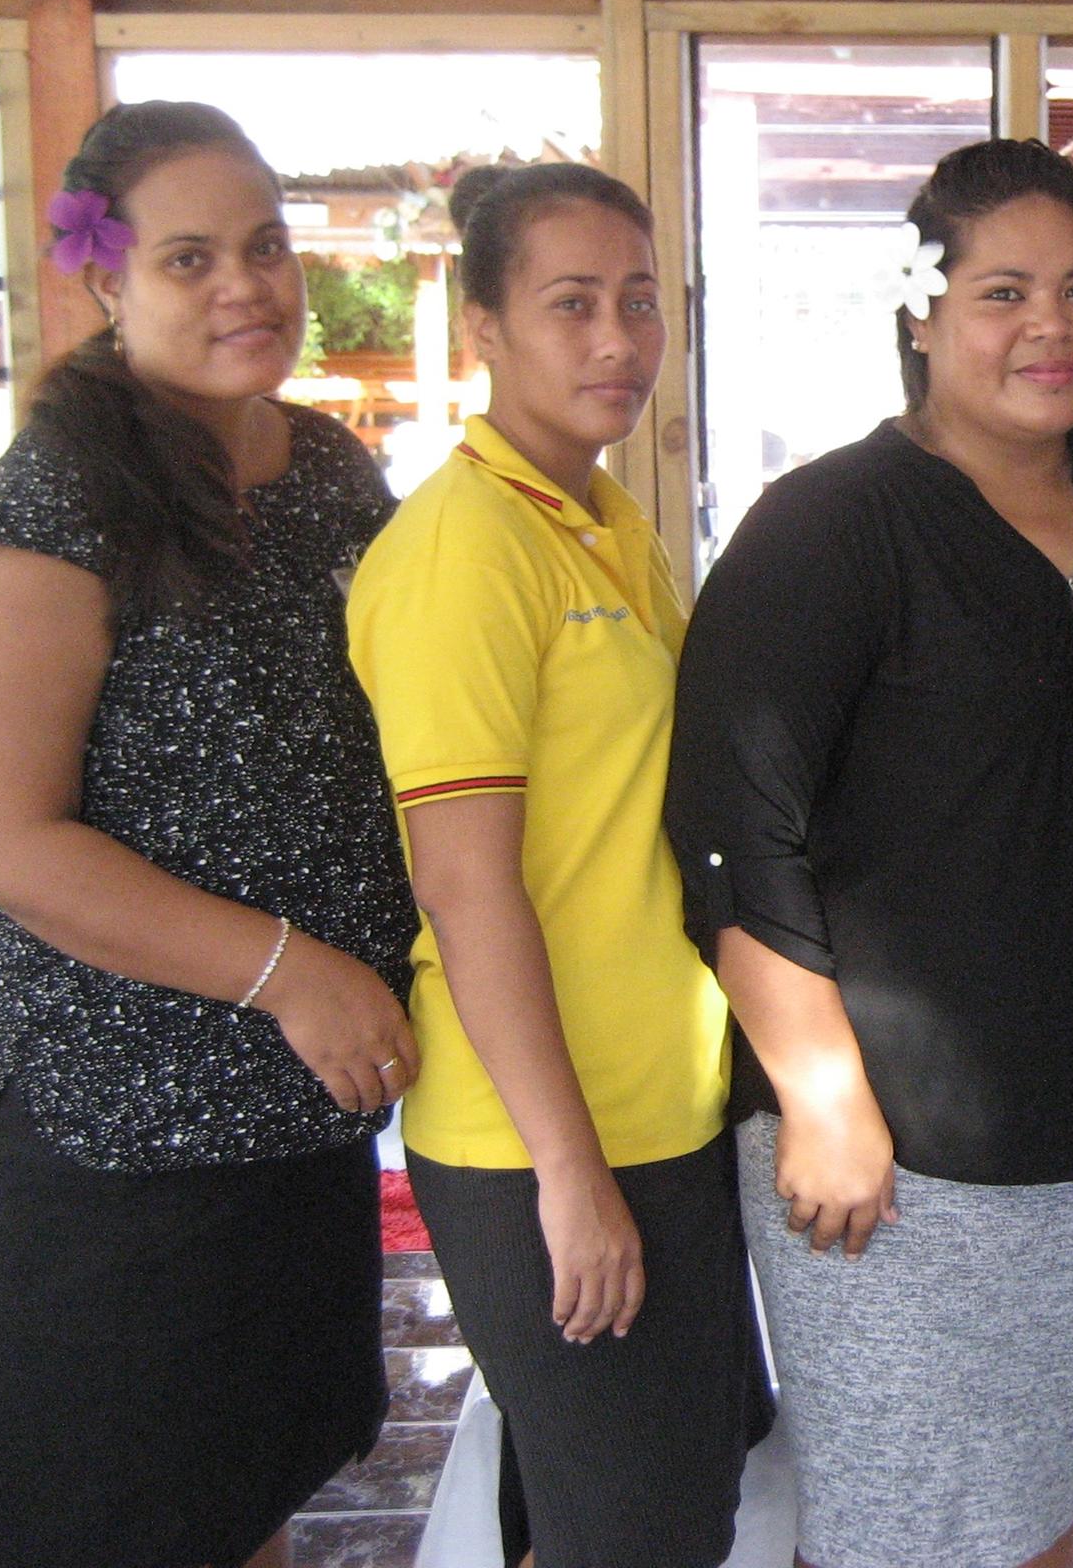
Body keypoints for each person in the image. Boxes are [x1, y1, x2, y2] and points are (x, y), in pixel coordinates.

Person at [665, 138, 1073, 1568]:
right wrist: (825, 1099)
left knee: (1043, 1515)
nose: (1052, 328)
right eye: (1005, 291)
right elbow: (732, 833)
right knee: (904, 1530)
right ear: (924, 311)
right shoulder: (830, 527)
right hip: (896, 1161)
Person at [0, 100, 418, 1568]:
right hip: (106, 1139)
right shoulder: (62, 499)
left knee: (245, 1494)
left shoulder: (326, 470)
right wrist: (295, 972)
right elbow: (2, 837)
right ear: (104, 283)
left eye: (266, 247)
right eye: (190, 258)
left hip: (282, 1116)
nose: (246, 288)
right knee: (110, 1524)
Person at [347, 163, 757, 1568]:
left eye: (639, 303)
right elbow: (468, 887)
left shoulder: (597, 518)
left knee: (650, 1509)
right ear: (483, 329)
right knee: (635, 1536)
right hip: (546, 1132)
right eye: (570, 304)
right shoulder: (461, 552)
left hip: (659, 1102)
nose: (616, 341)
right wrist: (568, 1176)